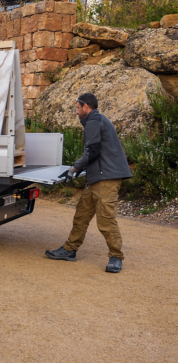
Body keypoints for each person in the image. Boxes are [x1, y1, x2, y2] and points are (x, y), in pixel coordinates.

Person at [46, 93, 132, 273]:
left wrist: (74, 169)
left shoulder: (94, 121)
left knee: (106, 220)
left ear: (86, 107)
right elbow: (97, 153)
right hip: (97, 179)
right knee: (82, 215)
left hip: (106, 180)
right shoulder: (97, 121)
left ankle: (116, 256)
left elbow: (92, 151)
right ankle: (69, 250)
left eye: (77, 108)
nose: (76, 112)